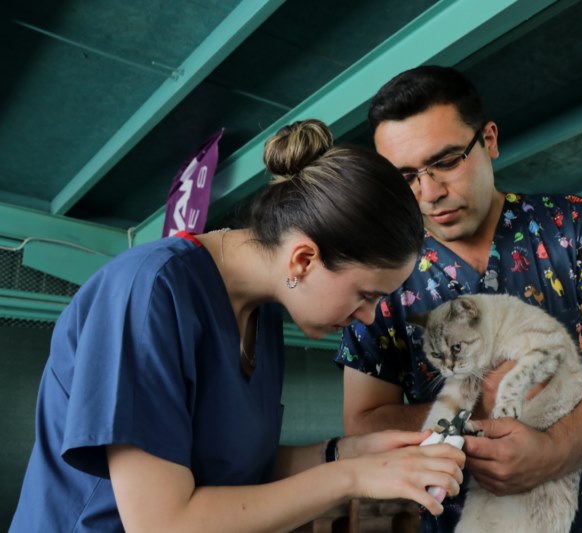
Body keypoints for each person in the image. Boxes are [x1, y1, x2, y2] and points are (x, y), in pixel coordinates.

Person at [10, 119, 466, 532]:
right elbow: (161, 524)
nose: (367, 317)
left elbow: (238, 469)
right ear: (303, 259)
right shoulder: (149, 291)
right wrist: (352, 477)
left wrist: (349, 453)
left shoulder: (262, 312)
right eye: (366, 296)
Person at [336, 66, 582, 532]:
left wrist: (557, 450)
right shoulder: (380, 273)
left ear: (488, 139)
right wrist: (478, 402)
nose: (429, 194)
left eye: (446, 161)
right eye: (406, 176)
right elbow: (363, 424)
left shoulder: (575, 225)